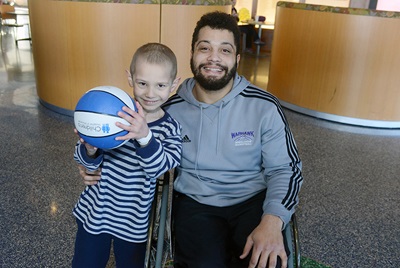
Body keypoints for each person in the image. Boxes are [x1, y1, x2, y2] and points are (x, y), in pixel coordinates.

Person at [79, 11, 303, 268]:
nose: (213, 58)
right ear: (192, 55)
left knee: (266, 262)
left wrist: (273, 221)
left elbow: (286, 169)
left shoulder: (264, 106)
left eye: (225, 50)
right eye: (204, 48)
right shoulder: (166, 109)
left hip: (253, 201)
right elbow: (126, 145)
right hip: (195, 204)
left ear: (237, 59)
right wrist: (93, 159)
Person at [72, 43, 182, 268]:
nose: (150, 93)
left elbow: (159, 168)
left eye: (160, 85)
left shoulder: (170, 129)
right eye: (142, 83)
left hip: (133, 222)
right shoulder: (113, 114)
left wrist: (144, 136)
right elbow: (84, 162)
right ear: (130, 79)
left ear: (174, 84)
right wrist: (90, 149)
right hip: (96, 212)